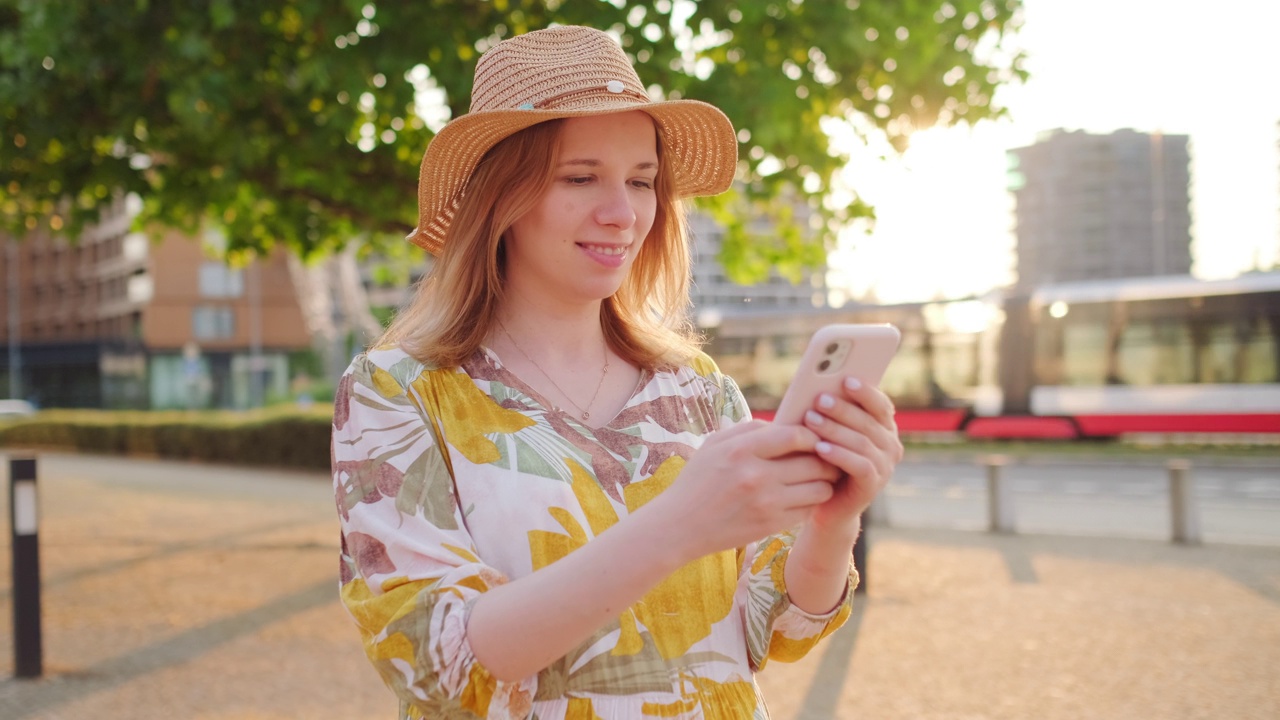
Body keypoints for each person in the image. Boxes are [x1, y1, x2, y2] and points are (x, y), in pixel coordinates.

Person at [331, 25, 903, 720]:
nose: (623, 213)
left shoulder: (697, 387)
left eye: (642, 181)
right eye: (581, 177)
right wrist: (679, 526)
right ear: (501, 199)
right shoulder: (399, 390)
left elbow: (773, 630)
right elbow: (434, 663)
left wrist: (834, 521)